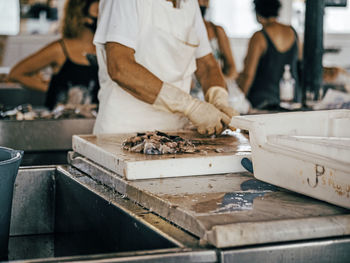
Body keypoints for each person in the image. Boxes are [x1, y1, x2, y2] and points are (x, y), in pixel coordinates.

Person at [93, 0, 237, 135]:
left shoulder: (189, 3)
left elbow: (207, 65)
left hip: (176, 133)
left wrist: (219, 101)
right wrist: (190, 106)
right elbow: (120, 68)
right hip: (123, 132)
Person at [9, 0, 100, 110]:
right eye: (98, 12)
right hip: (61, 123)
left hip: (96, 123)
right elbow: (16, 73)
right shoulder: (60, 49)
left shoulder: (105, 50)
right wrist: (51, 88)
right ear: (81, 16)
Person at [236, 0, 302, 109]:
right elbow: (300, 65)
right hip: (291, 103)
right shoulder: (292, 32)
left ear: (257, 12)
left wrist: (237, 102)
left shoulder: (259, 37)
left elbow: (248, 75)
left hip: (263, 104)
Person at [198, 0, 237, 79]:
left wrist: (222, 83)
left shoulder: (217, 31)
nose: (202, 3)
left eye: (205, 1)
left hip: (216, 85)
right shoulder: (182, 31)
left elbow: (232, 68)